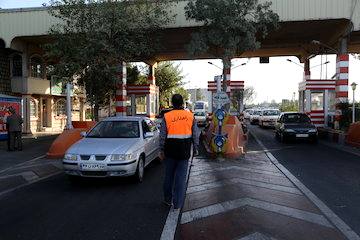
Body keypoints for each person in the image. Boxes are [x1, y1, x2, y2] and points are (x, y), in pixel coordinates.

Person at [159, 94, 199, 210]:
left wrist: (161, 150)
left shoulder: (167, 116)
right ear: (182, 103)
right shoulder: (190, 116)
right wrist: (195, 149)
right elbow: (195, 135)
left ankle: (167, 200)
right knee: (181, 179)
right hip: (184, 151)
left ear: (172, 103)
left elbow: (162, 136)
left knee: (168, 177)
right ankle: (177, 204)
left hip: (170, 151)